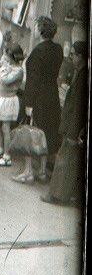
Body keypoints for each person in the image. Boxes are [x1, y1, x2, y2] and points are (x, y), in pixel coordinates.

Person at [42, 41, 87, 206]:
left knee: (63, 161)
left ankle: (55, 195)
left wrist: (72, 132)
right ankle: (64, 195)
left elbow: (78, 108)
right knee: (69, 162)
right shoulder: (79, 72)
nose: (71, 57)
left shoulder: (82, 76)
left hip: (72, 129)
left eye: (74, 54)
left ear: (81, 57)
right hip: (72, 127)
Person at [24, 16, 64, 177]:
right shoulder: (58, 50)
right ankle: (41, 170)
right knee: (47, 132)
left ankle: (28, 170)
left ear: (40, 31)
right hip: (52, 94)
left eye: (35, 27)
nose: (34, 30)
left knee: (32, 132)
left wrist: (28, 103)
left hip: (38, 96)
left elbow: (33, 80)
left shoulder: (38, 52)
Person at [0, 43, 25, 170]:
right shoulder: (8, 65)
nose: (4, 57)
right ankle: (0, 149)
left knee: (5, 128)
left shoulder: (18, 70)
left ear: (13, 56)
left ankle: (7, 156)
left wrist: (3, 67)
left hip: (8, 100)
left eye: (6, 55)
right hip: (0, 97)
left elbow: (5, 79)